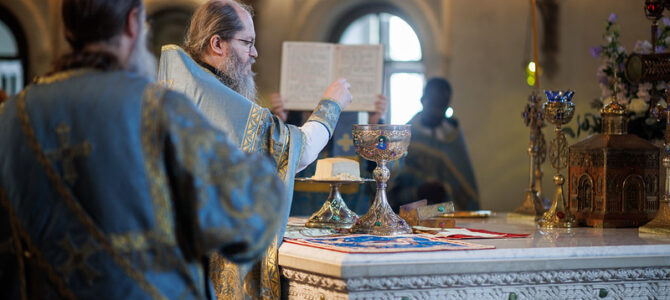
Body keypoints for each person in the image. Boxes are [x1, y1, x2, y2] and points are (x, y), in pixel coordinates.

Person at [0, 0, 287, 298]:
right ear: (133, 23)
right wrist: (266, 145)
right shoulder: (157, 109)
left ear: (69, 28)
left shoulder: (12, 116)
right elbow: (247, 226)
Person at [157, 0, 352, 298]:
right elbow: (296, 150)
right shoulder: (213, 98)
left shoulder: (188, 88)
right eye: (247, 42)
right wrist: (331, 105)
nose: (255, 53)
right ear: (217, 43)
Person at [270, 93, 388, 216]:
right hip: (295, 222)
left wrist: (376, 127)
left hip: (350, 225)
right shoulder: (290, 127)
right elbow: (268, 180)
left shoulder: (359, 137)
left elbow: (385, 179)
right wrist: (280, 128)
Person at [388, 77, 480, 212]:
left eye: (442, 106)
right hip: (411, 215)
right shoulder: (405, 137)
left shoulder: (453, 136)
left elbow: (466, 187)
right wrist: (418, 192)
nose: (437, 111)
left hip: (449, 216)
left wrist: (446, 190)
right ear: (422, 100)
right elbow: (392, 190)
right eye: (433, 104)